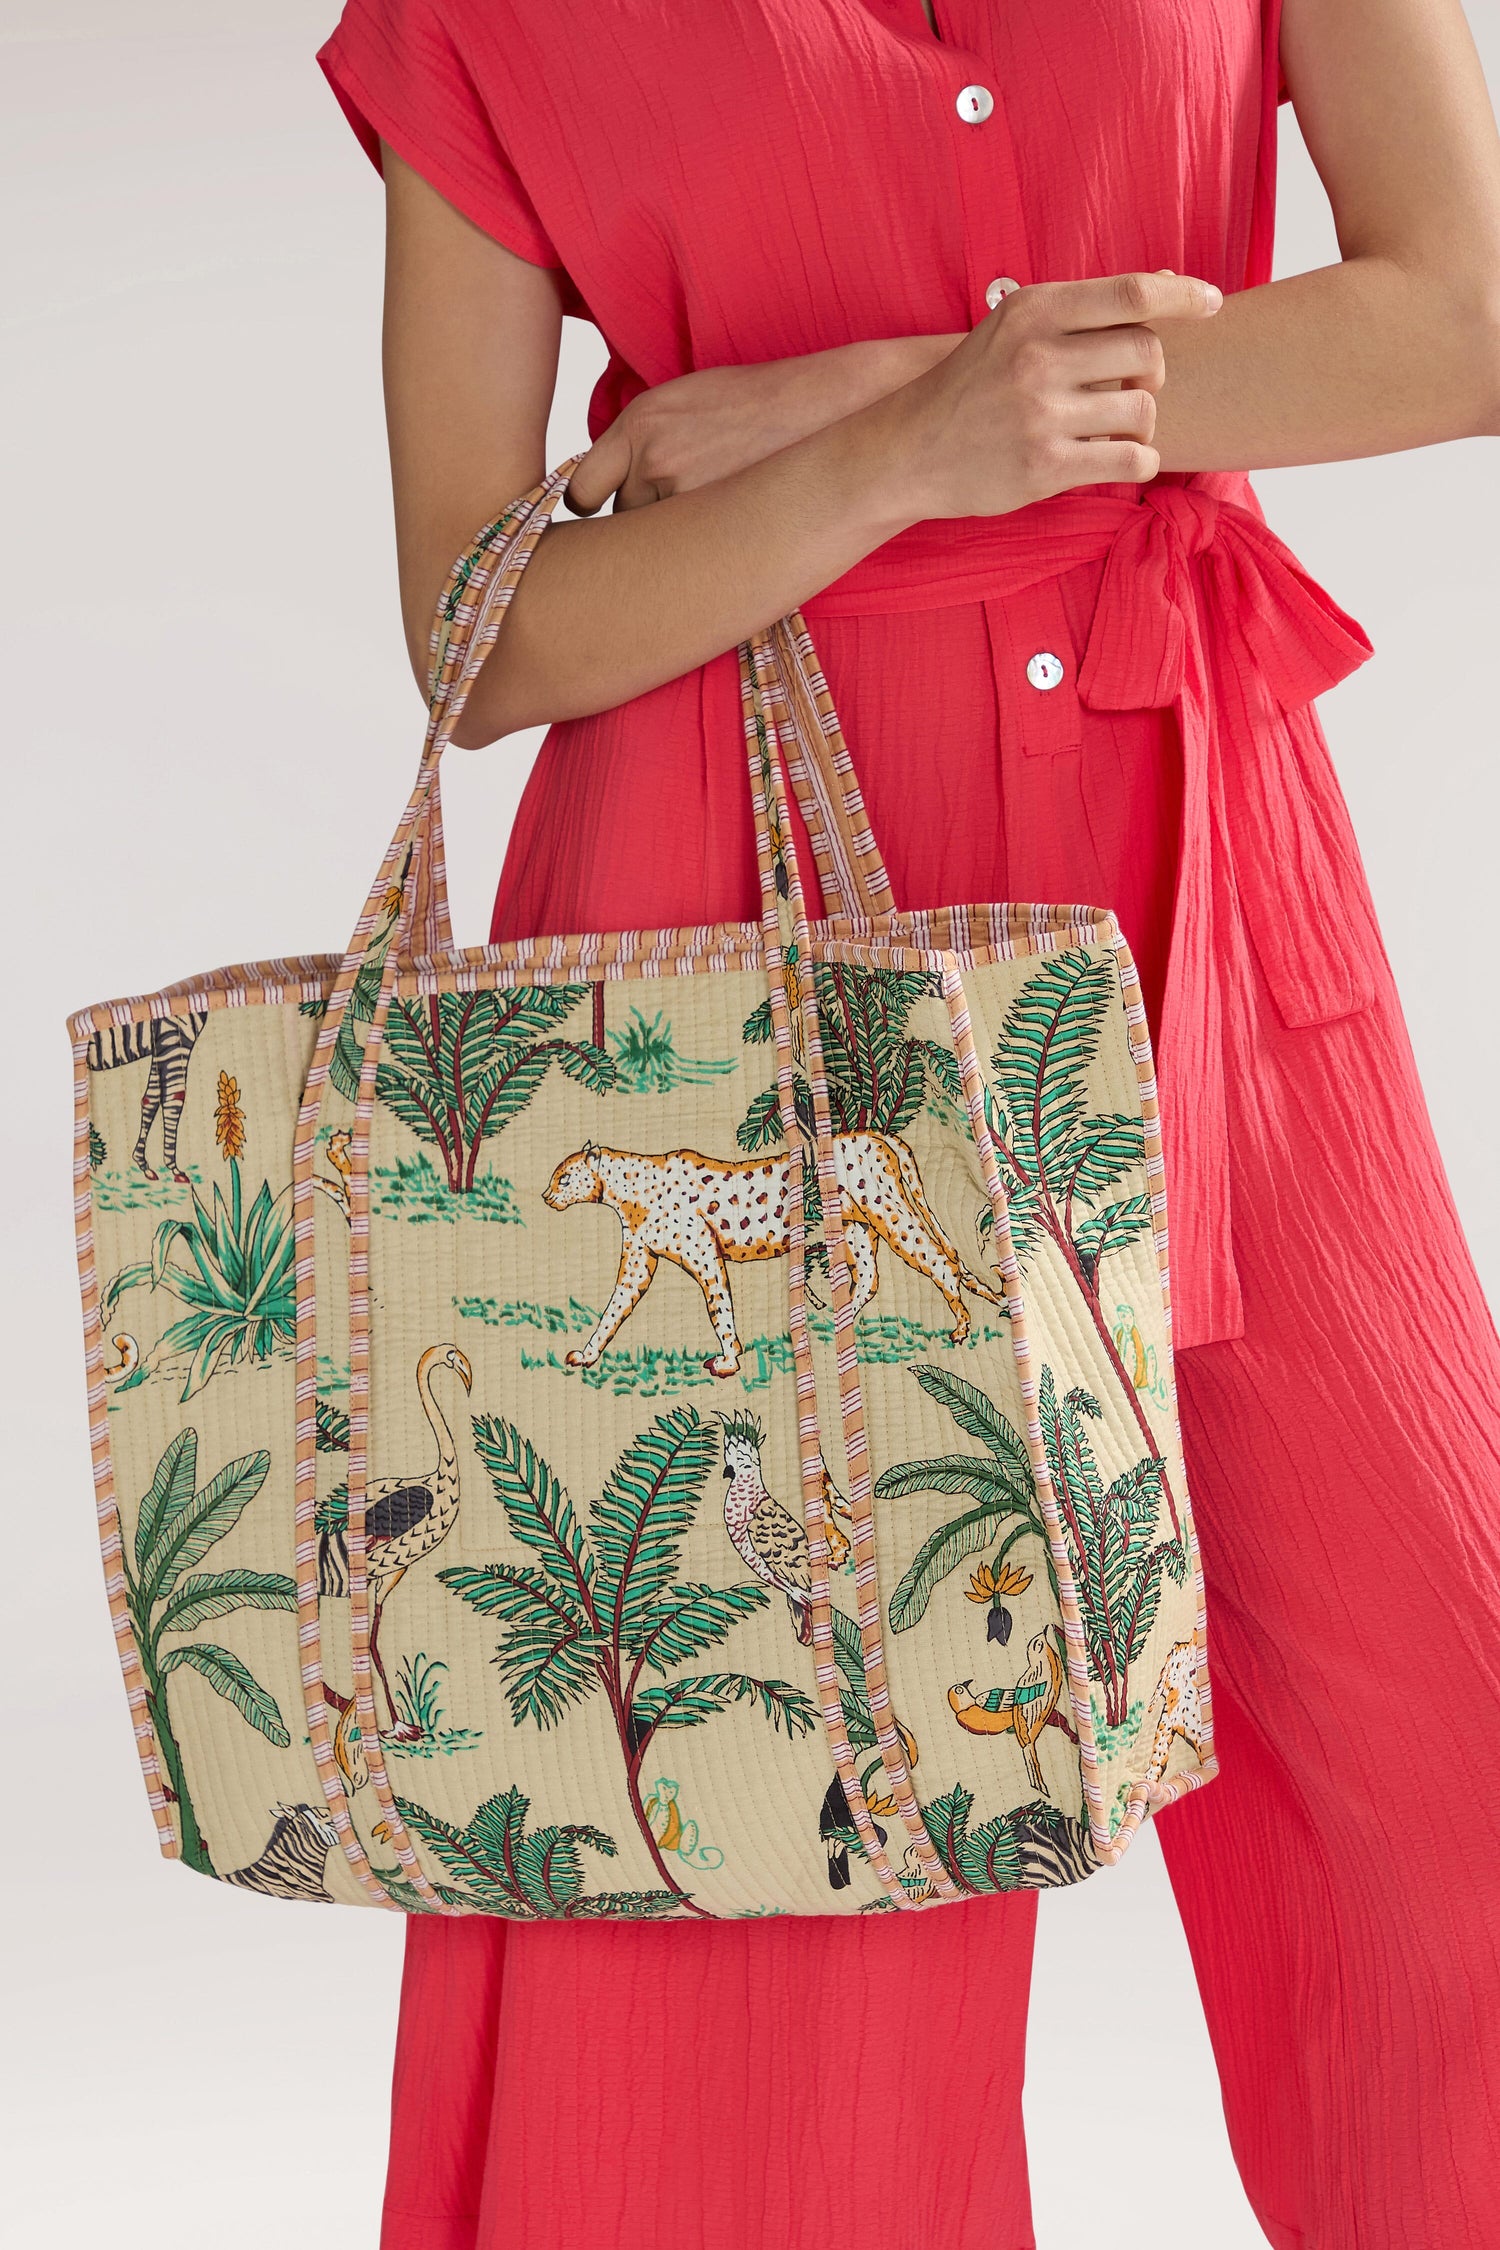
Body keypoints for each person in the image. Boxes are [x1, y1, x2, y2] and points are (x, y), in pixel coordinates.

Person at [313, 2, 1500, 2245]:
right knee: (783, 1864)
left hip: (1200, 914)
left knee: (1457, 1775)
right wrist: (886, 465)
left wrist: (912, 391)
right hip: (727, 963)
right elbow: (478, 634)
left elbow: (1463, 312)